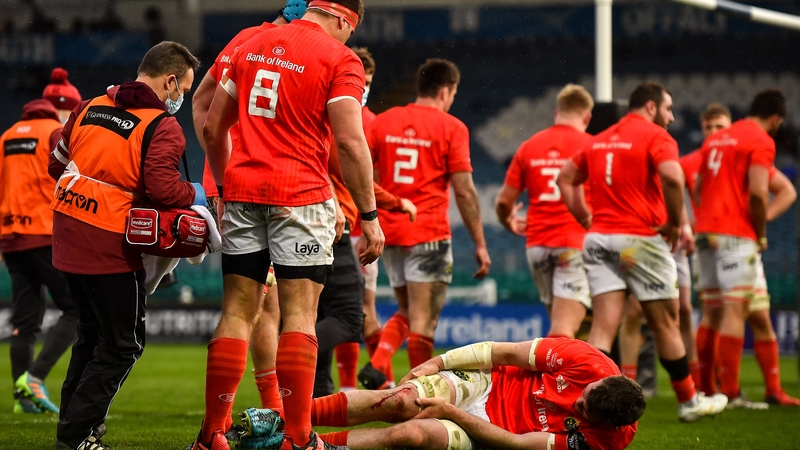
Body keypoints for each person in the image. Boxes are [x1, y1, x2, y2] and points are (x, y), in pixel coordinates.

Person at [200, 0, 384, 449]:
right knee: (299, 316)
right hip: (301, 197)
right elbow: (349, 140)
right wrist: (371, 215)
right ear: (343, 19)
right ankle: (298, 439)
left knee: (237, 313)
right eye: (350, 31)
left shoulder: (249, 42)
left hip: (243, 192)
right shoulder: (340, 59)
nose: (348, 40)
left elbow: (210, 128)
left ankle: (211, 437)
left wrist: (225, 188)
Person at [48, 41, 203, 450]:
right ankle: (76, 435)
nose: (181, 98)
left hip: (66, 232)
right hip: (109, 242)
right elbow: (164, 189)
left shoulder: (89, 106)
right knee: (122, 344)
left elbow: (55, 163)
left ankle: (79, 427)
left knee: (90, 334)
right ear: (169, 81)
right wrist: (198, 194)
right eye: (183, 90)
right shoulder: (161, 125)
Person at [556, 82, 728, 422]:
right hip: (639, 239)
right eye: (668, 108)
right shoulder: (654, 135)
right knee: (665, 322)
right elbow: (674, 179)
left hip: (599, 239)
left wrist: (585, 218)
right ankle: (689, 401)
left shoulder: (600, 137)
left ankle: (588, 402)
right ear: (650, 107)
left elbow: (565, 178)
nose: (672, 116)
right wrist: (676, 224)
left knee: (603, 327)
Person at [190, 1, 310, 418]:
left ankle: (240, 419)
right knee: (255, 304)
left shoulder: (244, 41)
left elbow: (203, 101)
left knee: (258, 303)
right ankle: (264, 414)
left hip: (235, 181)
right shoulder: (299, 47)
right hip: (257, 187)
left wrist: (215, 173)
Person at [358, 59, 491, 390]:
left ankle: (378, 364)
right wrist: (480, 243)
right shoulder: (452, 127)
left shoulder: (383, 121)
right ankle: (420, 393)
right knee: (424, 320)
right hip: (429, 232)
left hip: (391, 232)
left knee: (406, 310)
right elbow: (465, 191)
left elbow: (366, 175)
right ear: (446, 91)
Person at [302, 338, 643, 450]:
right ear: (600, 381)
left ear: (606, 424)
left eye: (583, 410)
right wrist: (437, 362)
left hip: (492, 435)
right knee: (401, 401)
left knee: (413, 433)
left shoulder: (604, 441)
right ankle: (291, 420)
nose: (576, 402)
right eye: (584, 394)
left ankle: (312, 446)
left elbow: (518, 445)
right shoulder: (587, 360)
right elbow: (500, 353)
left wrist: (451, 414)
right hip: (487, 382)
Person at [316, 46, 417, 397]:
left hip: (342, 222)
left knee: (335, 311)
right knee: (357, 312)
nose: (366, 87)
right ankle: (376, 379)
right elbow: (356, 174)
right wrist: (394, 203)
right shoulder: (361, 120)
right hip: (351, 227)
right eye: (364, 81)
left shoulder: (341, 115)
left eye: (371, 82)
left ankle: (331, 384)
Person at [686, 100, 800, 406]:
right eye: (709, 126)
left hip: (708, 232)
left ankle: (766, 390)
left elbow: (697, 189)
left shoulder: (714, 146)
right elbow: (760, 193)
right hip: (738, 235)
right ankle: (729, 392)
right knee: (733, 311)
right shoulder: (757, 141)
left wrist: (703, 218)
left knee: (751, 314)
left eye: (718, 125)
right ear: (775, 120)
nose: (714, 131)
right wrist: (760, 230)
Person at [1, 68, 81, 415]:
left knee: (25, 322)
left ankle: (24, 401)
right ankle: (35, 377)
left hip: (11, 240)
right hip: (45, 236)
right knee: (77, 310)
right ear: (64, 109)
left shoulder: (5, 138)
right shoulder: (55, 133)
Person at [494, 83, 594, 338]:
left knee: (564, 324)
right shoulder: (591, 145)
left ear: (556, 112)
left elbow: (504, 202)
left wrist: (509, 222)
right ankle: (546, 378)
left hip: (538, 246)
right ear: (587, 117)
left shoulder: (530, 146)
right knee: (565, 330)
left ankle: (571, 377)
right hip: (573, 243)